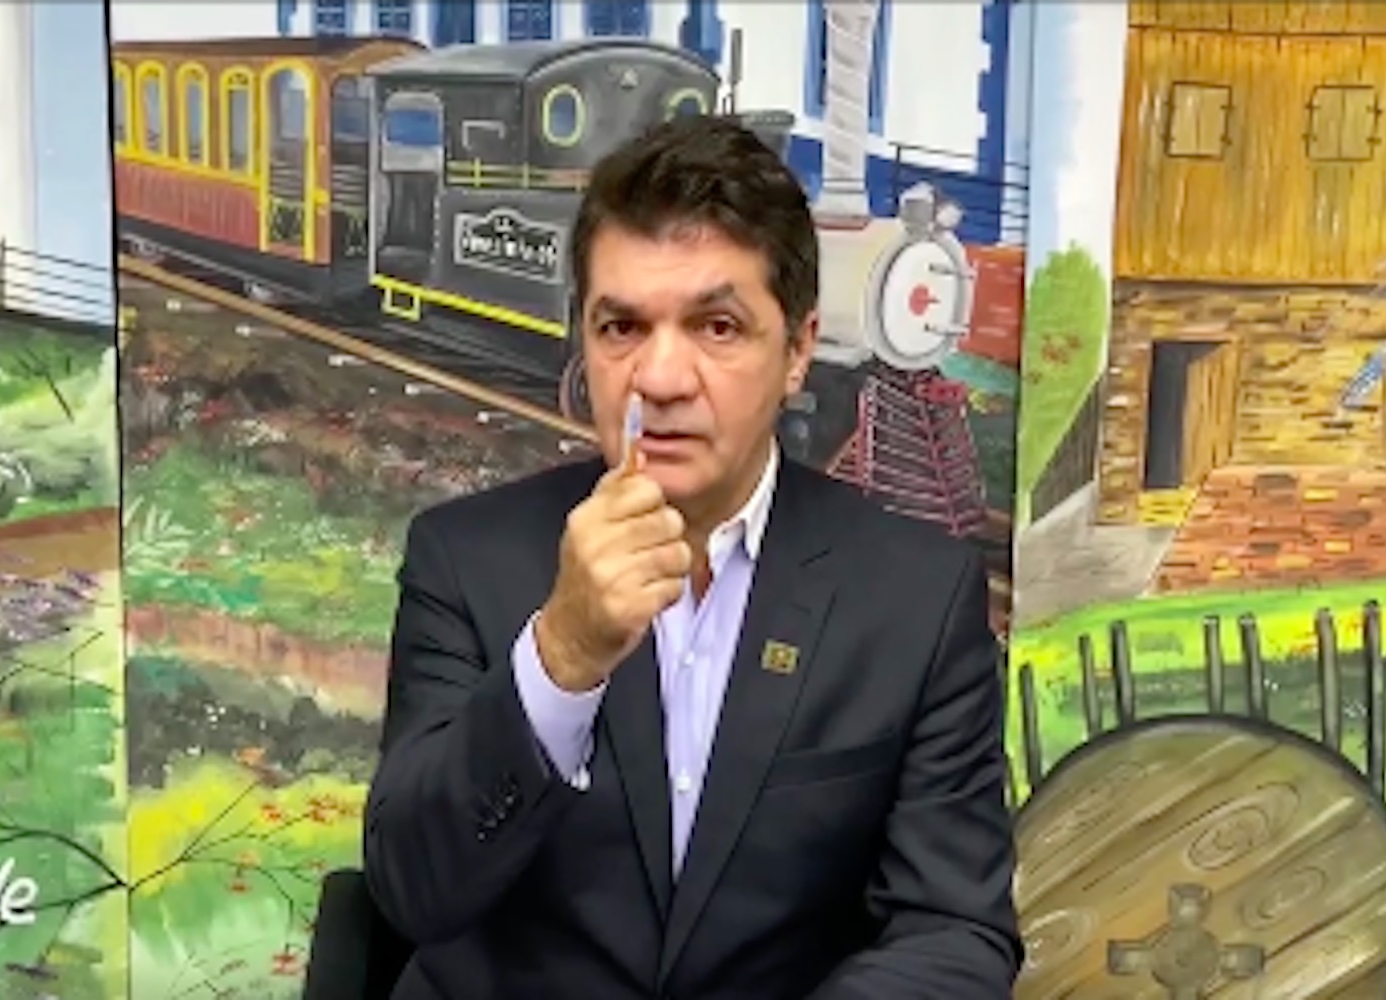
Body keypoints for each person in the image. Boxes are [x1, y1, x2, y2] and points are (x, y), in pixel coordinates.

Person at [362, 114, 1021, 999]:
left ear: (798, 350)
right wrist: (562, 657)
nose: (662, 379)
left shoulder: (918, 598)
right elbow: (413, 892)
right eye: (622, 328)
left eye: (716, 326)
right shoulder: (463, 559)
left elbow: (953, 934)